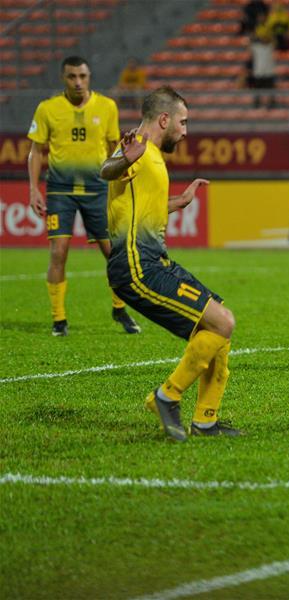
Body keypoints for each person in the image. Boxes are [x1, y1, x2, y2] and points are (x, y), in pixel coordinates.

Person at [99, 86, 242, 439]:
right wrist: (125, 158)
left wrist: (179, 202)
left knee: (218, 322)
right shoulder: (136, 147)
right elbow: (106, 170)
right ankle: (167, 396)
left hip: (154, 260)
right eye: (183, 122)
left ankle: (206, 420)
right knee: (222, 322)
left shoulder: (153, 158)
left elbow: (141, 209)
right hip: (135, 264)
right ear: (164, 119)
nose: (185, 131)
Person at [27, 56, 140, 337]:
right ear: (63, 78)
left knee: (111, 253)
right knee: (59, 252)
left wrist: (121, 177)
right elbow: (36, 151)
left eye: (82, 76)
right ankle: (59, 320)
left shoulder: (107, 106)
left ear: (89, 77)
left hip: (98, 189)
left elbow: (115, 147)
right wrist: (32, 188)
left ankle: (119, 308)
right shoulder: (47, 109)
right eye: (72, 77)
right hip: (60, 191)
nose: (78, 82)